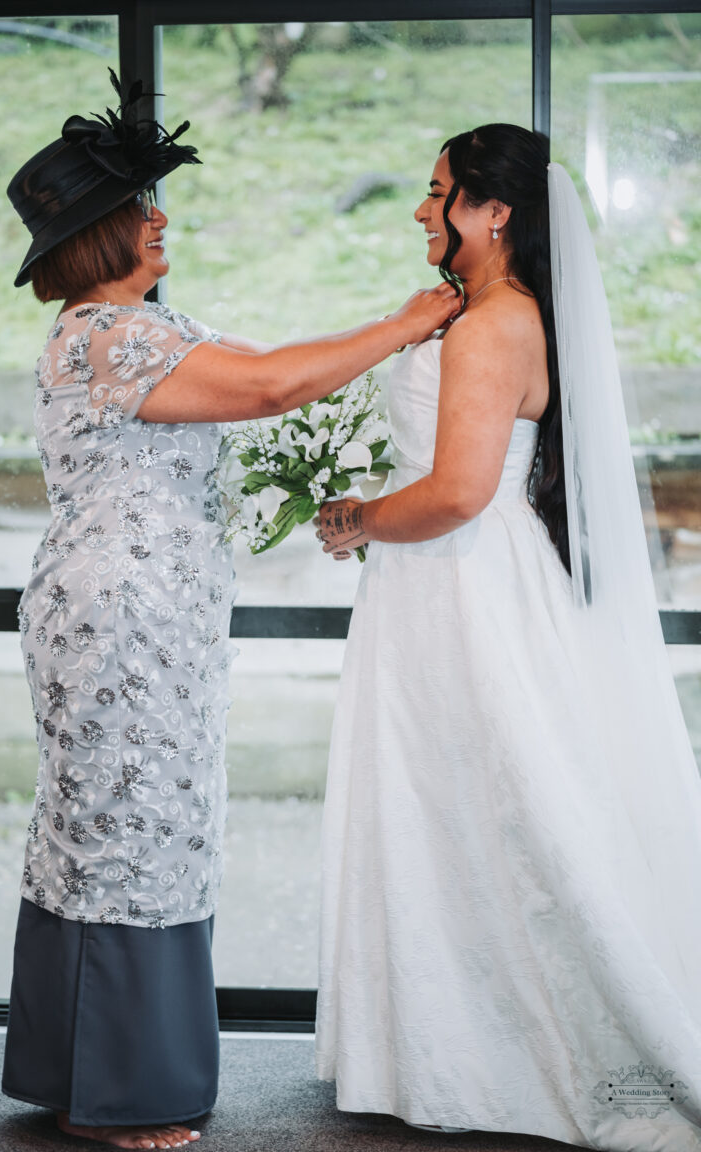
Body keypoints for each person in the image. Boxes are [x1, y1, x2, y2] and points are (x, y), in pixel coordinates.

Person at [0, 72, 460, 1151]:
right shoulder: (104, 339)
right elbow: (265, 392)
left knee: (124, 824)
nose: (161, 222)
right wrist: (402, 323)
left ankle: (83, 1072)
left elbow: (264, 366)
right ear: (95, 237)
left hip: (141, 615)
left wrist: (387, 344)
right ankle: (120, 1093)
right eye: (139, 209)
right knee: (132, 829)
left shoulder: (139, 327)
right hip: (119, 616)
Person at [316, 123, 701, 1151]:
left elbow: (452, 495)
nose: (418, 208)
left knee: (488, 804)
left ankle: (486, 1049)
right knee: (464, 809)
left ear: (493, 212)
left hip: (463, 590)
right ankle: (443, 1040)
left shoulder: (492, 329)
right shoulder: (495, 314)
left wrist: (355, 518)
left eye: (436, 191)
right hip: (449, 588)